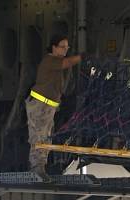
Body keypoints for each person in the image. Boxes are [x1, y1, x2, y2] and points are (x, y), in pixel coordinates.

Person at [26, 34, 82, 181]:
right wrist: (81, 57)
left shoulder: (54, 61)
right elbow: (67, 63)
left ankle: (40, 167)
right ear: (54, 47)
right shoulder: (50, 60)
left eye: (67, 47)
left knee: (45, 136)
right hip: (40, 105)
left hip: (48, 106)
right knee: (39, 136)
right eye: (62, 46)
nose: (65, 49)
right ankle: (37, 168)